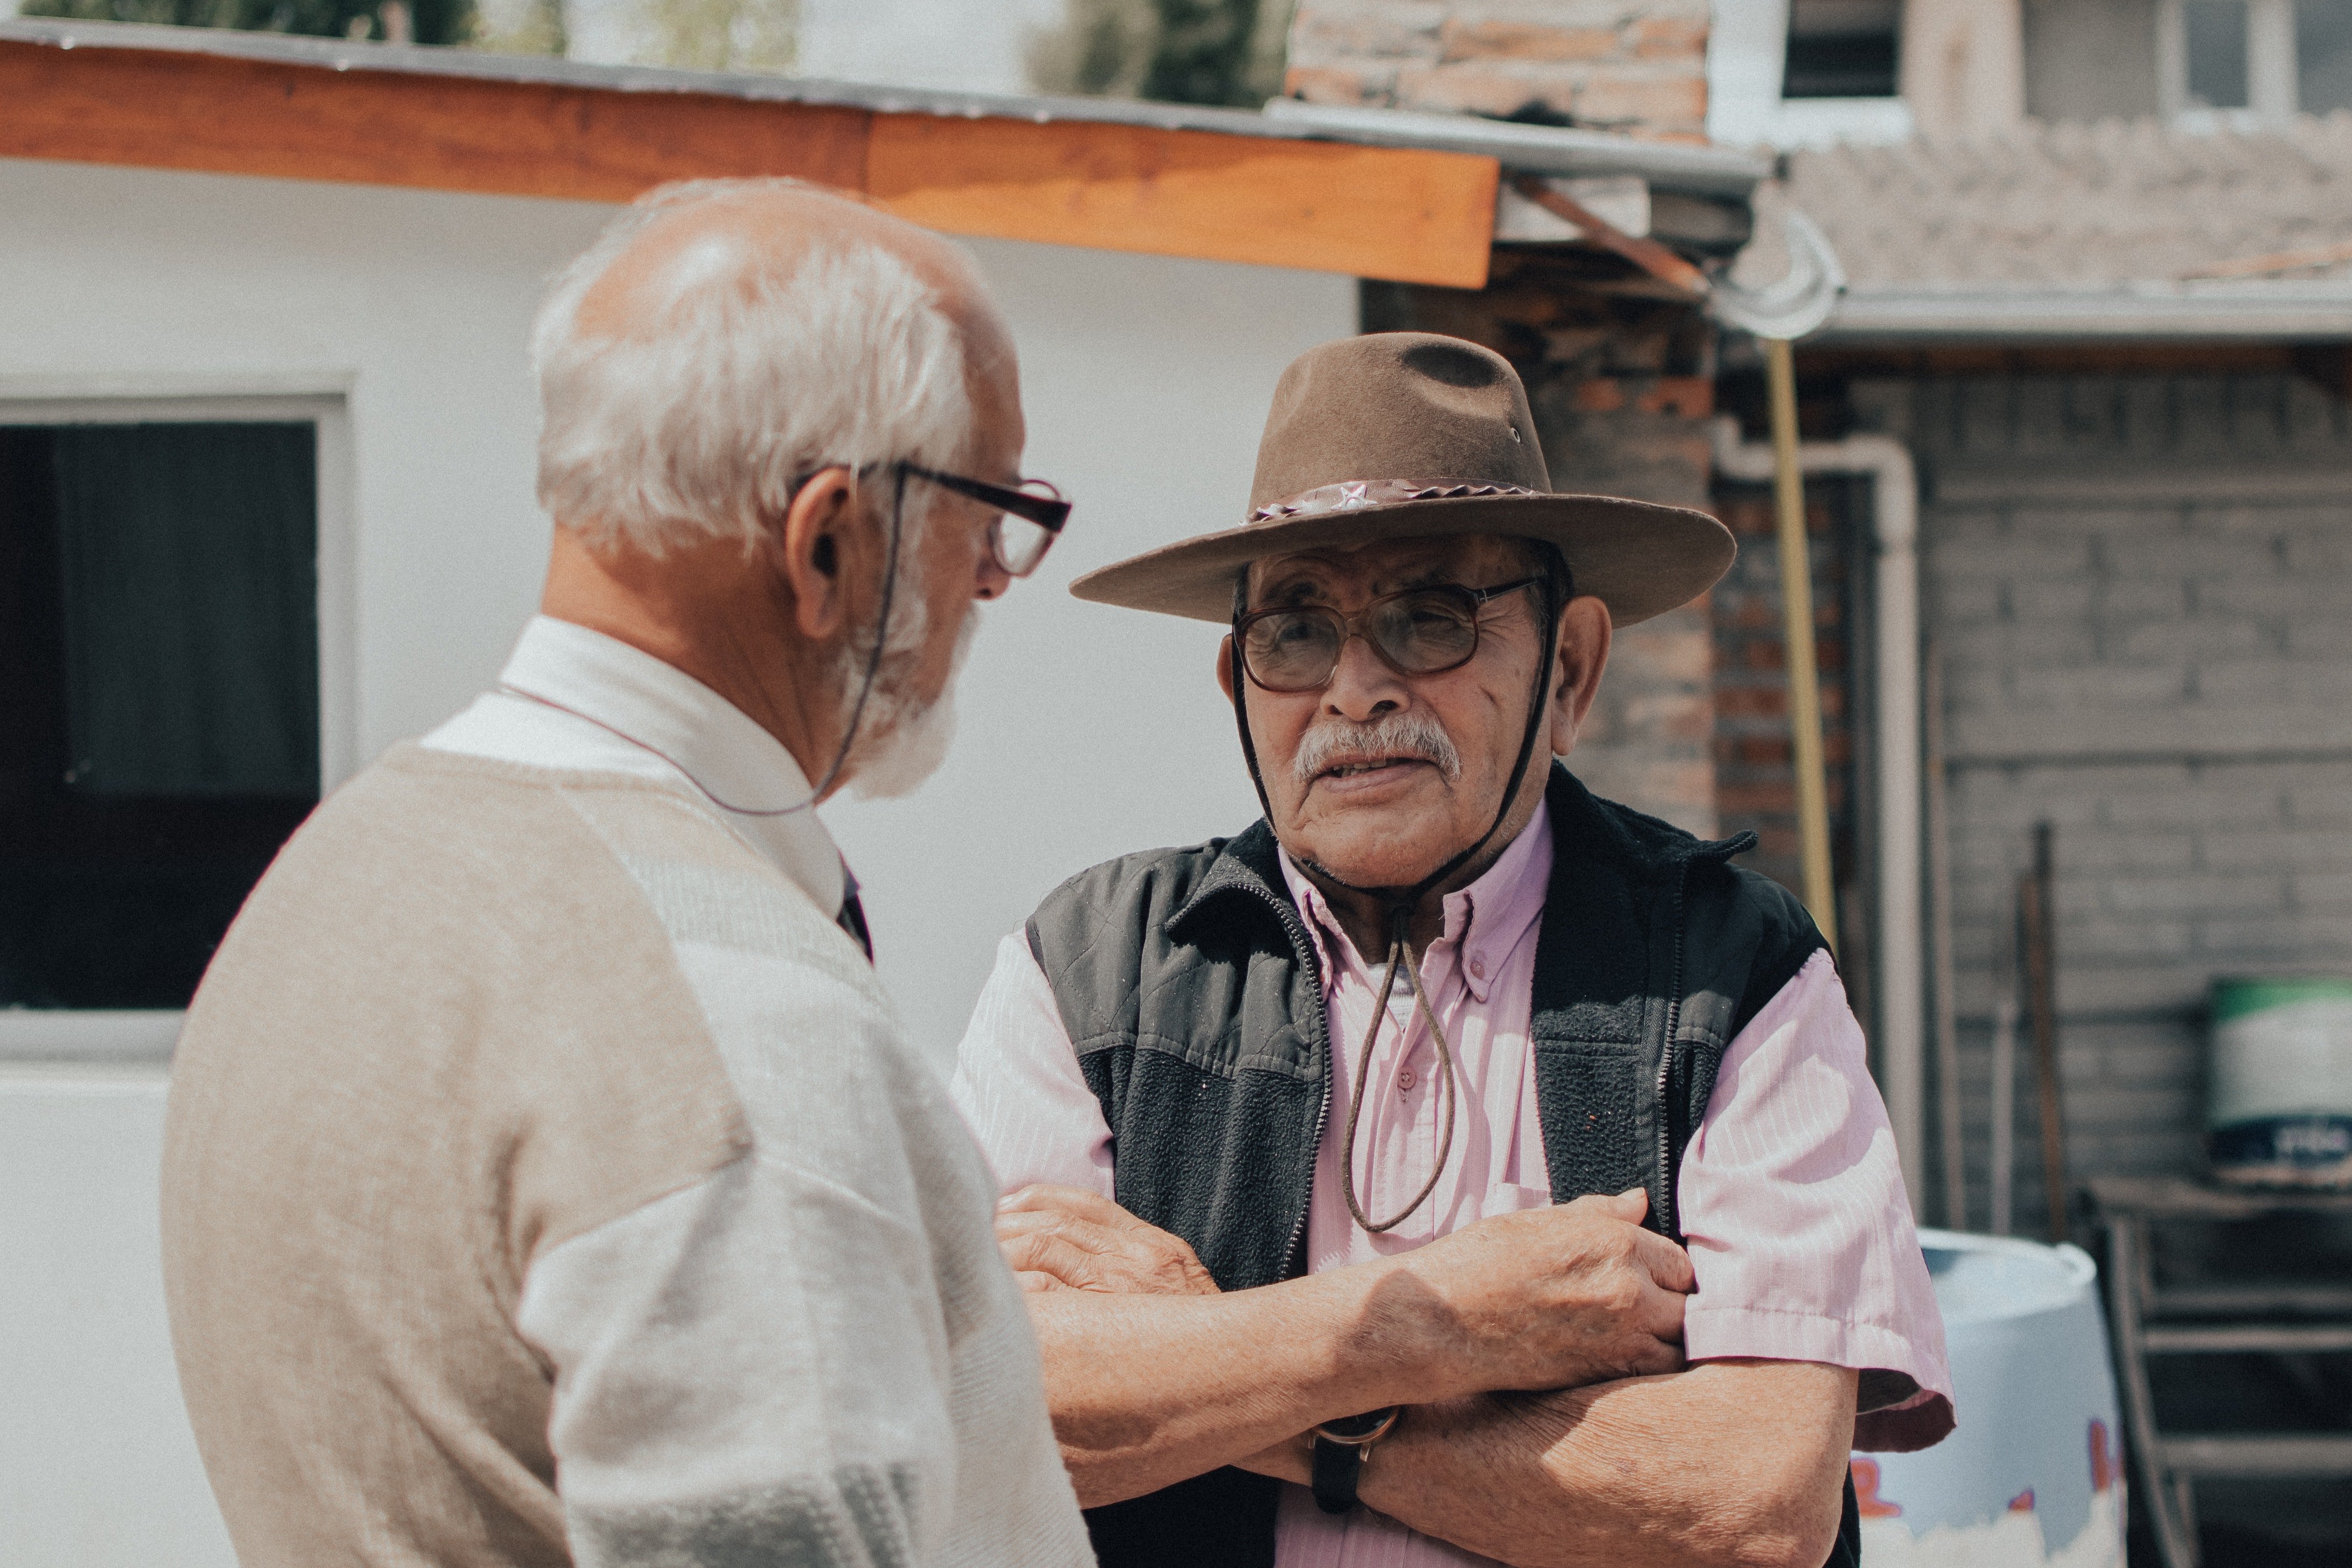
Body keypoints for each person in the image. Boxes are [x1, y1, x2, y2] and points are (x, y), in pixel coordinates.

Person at [162, 179, 1094, 1568]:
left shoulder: (334, 873)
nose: (998, 580)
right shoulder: (741, 1033)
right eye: (987, 509)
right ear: (828, 539)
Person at [950, 332, 1954, 1568]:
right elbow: (978, 1401)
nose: (1354, 688)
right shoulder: (1092, 971)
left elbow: (1751, 1505)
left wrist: (1230, 1375)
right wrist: (1438, 1327)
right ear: (1237, 682)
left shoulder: (1734, 971)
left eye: (1429, 618)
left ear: (1570, 669)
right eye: (1297, 630)